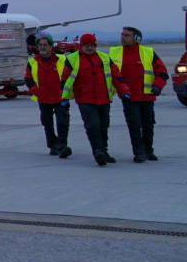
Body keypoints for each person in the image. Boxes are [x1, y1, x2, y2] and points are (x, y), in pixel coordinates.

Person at [111, 26, 166, 162]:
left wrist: (158, 86)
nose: (123, 37)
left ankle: (148, 150)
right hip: (128, 97)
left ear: (137, 38)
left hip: (147, 96)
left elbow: (163, 72)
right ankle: (139, 152)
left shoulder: (148, 52)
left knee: (148, 125)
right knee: (134, 125)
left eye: (127, 35)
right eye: (122, 34)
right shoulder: (114, 52)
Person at [62, 32, 118, 166]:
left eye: (92, 45)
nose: (89, 48)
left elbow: (116, 76)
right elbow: (64, 80)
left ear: (95, 45)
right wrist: (63, 98)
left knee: (104, 126)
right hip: (85, 99)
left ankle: (104, 150)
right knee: (93, 125)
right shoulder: (72, 59)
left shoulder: (104, 58)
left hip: (104, 99)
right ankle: (97, 151)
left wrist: (125, 91)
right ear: (81, 46)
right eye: (86, 45)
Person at [24, 36, 72, 158]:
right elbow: (28, 79)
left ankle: (62, 145)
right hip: (43, 97)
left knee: (63, 122)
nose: (42, 47)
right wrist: (36, 92)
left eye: (45, 45)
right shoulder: (32, 61)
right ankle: (53, 145)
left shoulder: (61, 59)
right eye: (40, 45)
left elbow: (69, 76)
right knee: (47, 123)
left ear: (51, 47)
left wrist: (65, 91)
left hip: (60, 97)